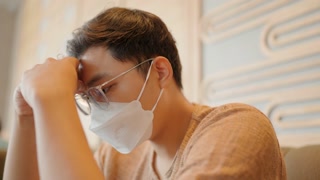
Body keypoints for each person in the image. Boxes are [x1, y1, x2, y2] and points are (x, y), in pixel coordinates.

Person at [3, 7, 286, 180]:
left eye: (104, 89)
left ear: (160, 72)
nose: (98, 111)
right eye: (89, 98)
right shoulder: (115, 158)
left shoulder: (239, 126)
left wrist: (53, 101)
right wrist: (25, 116)